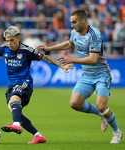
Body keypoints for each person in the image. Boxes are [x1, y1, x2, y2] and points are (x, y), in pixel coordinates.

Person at [0, 26, 74, 144]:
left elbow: (46, 58)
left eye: (12, 40)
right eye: (7, 40)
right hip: (11, 84)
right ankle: (38, 136)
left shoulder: (27, 50)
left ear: (18, 38)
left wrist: (61, 65)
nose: (9, 43)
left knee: (14, 102)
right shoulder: (4, 48)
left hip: (24, 83)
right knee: (15, 110)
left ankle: (16, 124)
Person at [36, 10, 123, 143]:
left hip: (101, 74)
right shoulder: (74, 32)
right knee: (74, 103)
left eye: (74, 22)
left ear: (83, 20)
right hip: (87, 75)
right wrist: (49, 48)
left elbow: (93, 59)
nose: (72, 25)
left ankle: (117, 132)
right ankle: (101, 115)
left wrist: (71, 59)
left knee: (101, 105)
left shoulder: (94, 35)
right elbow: (69, 43)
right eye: (71, 22)